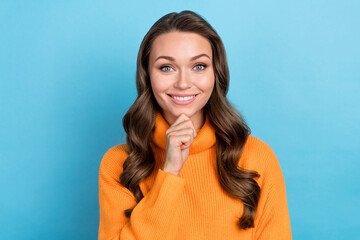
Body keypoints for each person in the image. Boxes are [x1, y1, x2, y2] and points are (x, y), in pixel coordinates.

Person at [98, 10, 292, 240]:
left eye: (198, 66)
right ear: (147, 75)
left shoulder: (257, 157)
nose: (182, 83)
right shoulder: (119, 165)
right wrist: (169, 172)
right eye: (166, 67)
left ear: (216, 73)